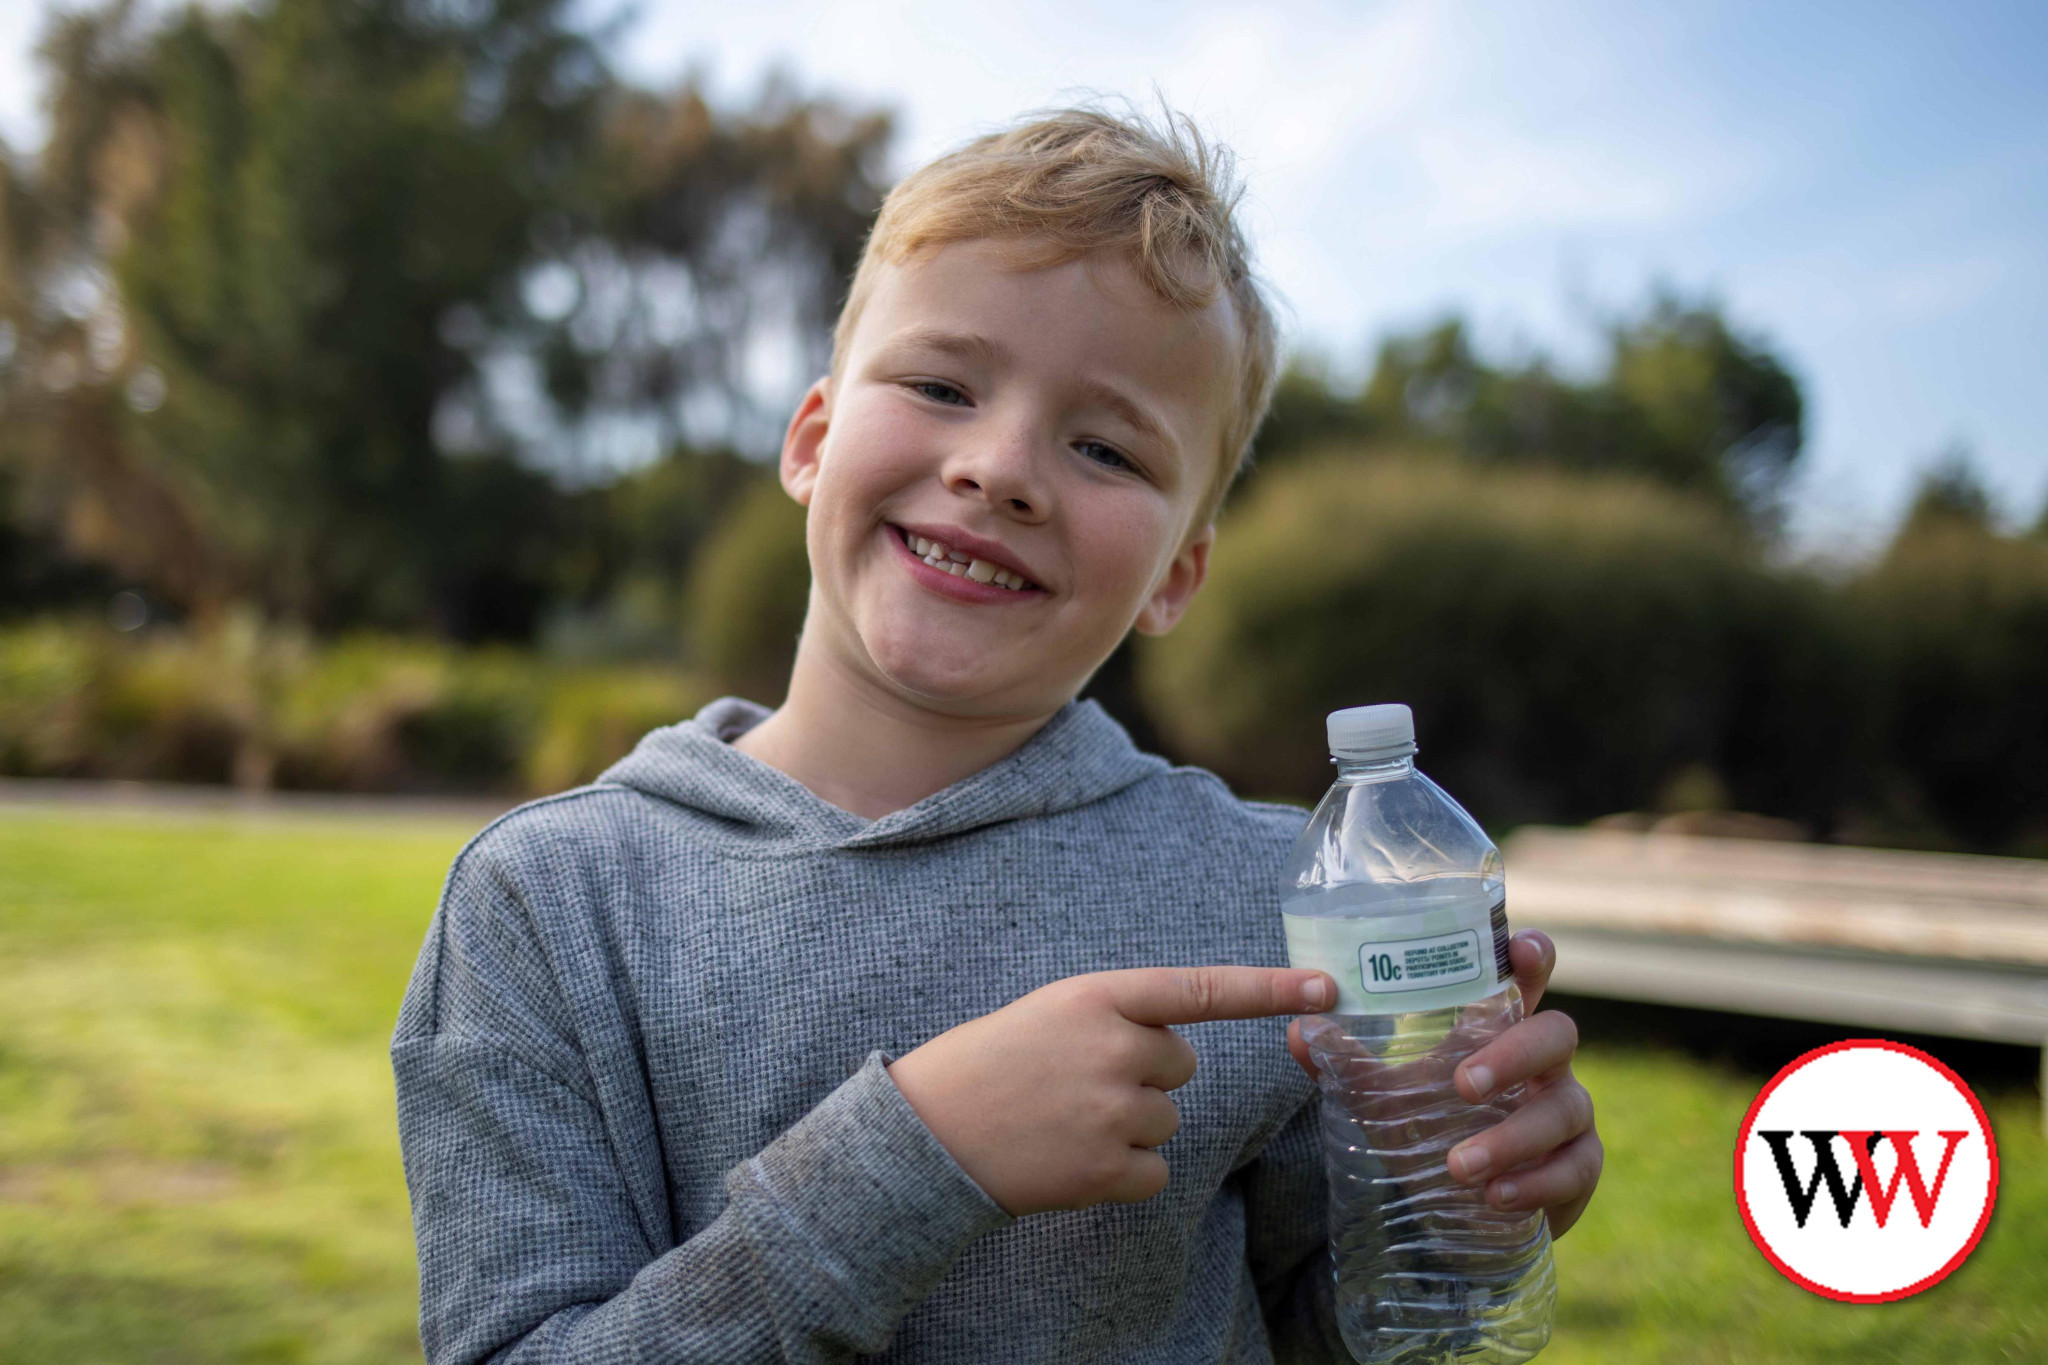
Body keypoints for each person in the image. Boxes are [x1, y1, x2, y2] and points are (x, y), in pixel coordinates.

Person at [392, 104, 1602, 1364]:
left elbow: (1323, 1333)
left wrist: (1458, 1222)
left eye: (1102, 447)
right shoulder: (549, 901)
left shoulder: (1281, 901)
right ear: (811, 439)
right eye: (939, 385)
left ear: (1175, 579)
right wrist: (919, 1158)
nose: (1001, 466)